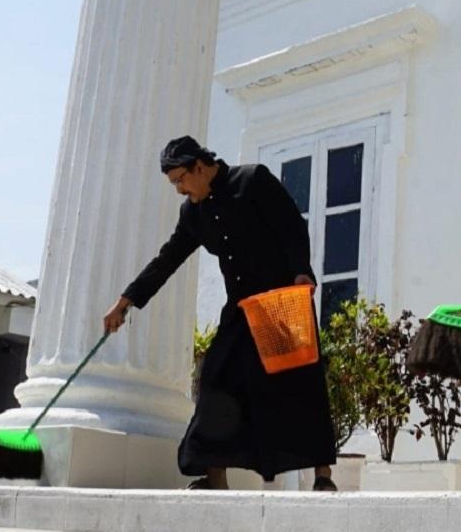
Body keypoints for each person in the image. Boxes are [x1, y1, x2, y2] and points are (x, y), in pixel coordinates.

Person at [103, 136, 338, 491]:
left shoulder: (252, 180)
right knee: (216, 382)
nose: (180, 189)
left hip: (279, 301)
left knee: (300, 384)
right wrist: (127, 300)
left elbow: (292, 226)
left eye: (181, 180)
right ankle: (215, 478)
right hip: (241, 308)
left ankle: (323, 476)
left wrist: (301, 270)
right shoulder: (194, 213)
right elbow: (168, 258)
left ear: (199, 166)